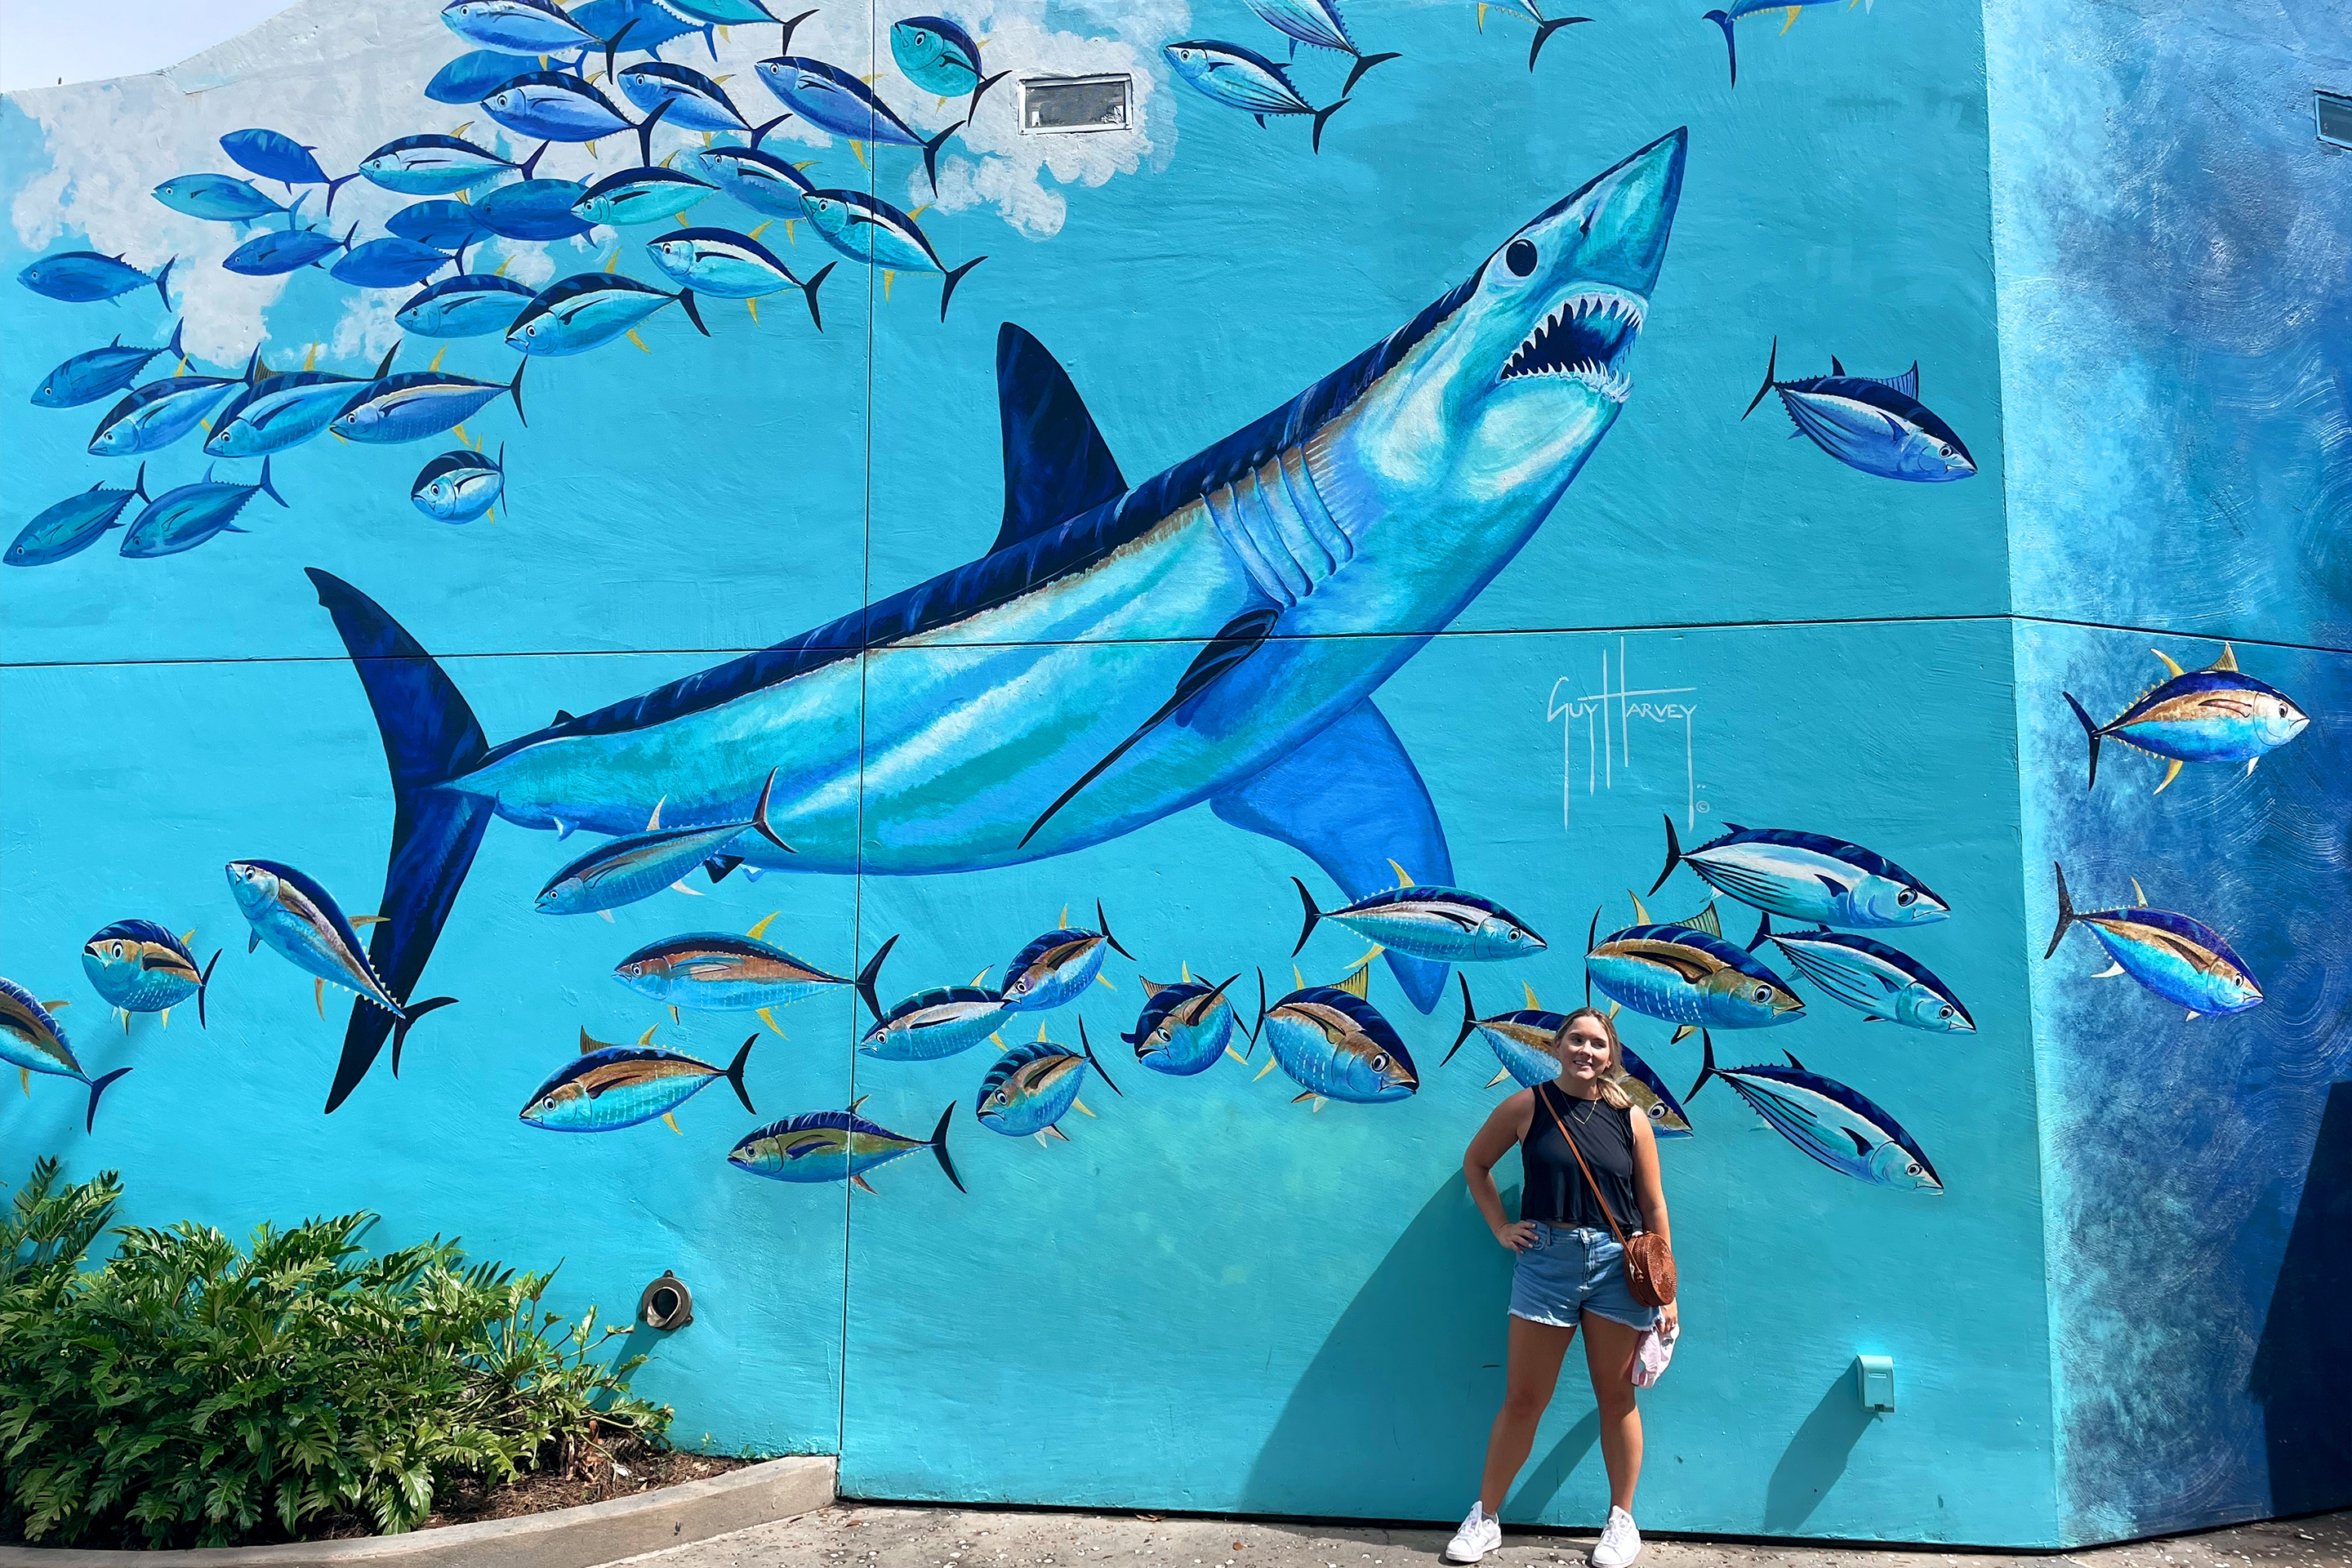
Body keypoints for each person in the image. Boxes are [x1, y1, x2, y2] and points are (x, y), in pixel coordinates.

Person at [1444, 1008, 1677, 1567]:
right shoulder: (1528, 1106)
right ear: (1558, 1045)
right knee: (1524, 1399)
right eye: (1577, 1039)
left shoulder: (1632, 1118)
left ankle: (1621, 1523)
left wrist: (1668, 1292)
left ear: (1611, 1054)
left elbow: (1652, 1205)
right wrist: (1502, 1228)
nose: (1587, 1051)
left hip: (1618, 1270)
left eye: (1598, 1043)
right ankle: (1487, 1519)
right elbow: (1476, 1165)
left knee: (1617, 1398)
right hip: (1546, 1262)